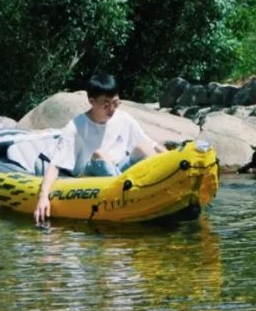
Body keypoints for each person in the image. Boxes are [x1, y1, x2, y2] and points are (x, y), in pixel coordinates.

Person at [33, 74, 164, 224]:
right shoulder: (75, 127)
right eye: (106, 104)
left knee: (144, 148)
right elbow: (55, 165)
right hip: (88, 176)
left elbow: (150, 143)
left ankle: (158, 190)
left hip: (118, 170)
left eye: (115, 103)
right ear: (91, 101)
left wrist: (175, 157)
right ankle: (130, 197)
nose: (112, 109)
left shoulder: (124, 119)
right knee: (99, 153)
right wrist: (43, 197)